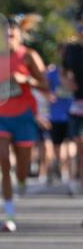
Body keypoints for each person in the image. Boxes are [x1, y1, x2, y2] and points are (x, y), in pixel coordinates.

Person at [0, 15, 48, 231]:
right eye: (4, 36)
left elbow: (45, 85)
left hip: (24, 117)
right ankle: (9, 214)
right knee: (3, 161)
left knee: (22, 168)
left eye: (12, 35)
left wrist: (27, 80)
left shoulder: (29, 56)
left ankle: (21, 181)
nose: (8, 39)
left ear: (19, 36)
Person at [46, 47, 74, 185]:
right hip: (56, 116)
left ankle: (70, 171)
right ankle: (59, 168)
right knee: (57, 146)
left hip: (72, 114)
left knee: (71, 145)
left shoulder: (74, 71)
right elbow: (44, 88)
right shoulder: (52, 73)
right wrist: (48, 96)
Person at [63, 13, 83, 196]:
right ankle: (76, 177)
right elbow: (63, 71)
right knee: (78, 143)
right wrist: (67, 82)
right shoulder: (72, 49)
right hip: (78, 103)